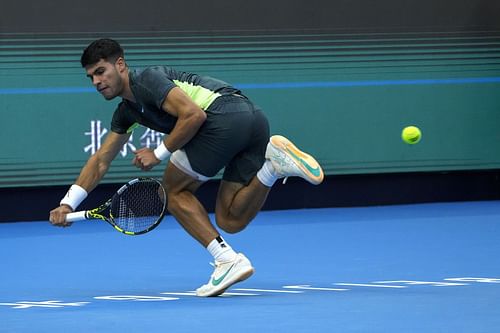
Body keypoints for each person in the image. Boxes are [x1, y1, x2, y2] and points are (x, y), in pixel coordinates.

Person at [49, 38, 324, 297]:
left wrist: (157, 153)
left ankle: (226, 259)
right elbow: (101, 160)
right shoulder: (126, 112)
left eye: (101, 71)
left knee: (171, 191)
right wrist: (67, 203)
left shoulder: (147, 79)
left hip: (223, 116)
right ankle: (274, 166)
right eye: (91, 77)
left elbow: (194, 115)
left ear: (120, 64)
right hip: (252, 120)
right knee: (231, 219)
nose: (97, 81)